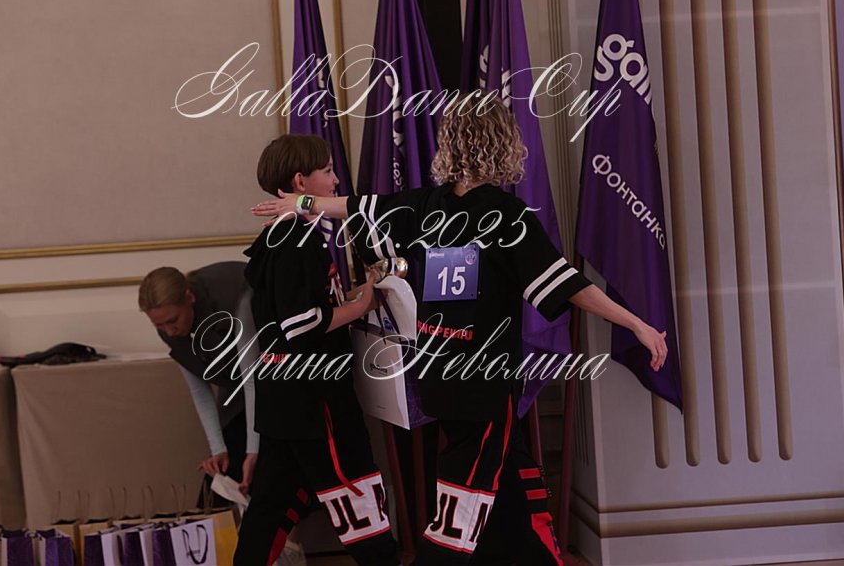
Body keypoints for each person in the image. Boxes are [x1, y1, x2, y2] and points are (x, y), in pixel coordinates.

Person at [250, 99, 668, 565]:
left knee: (511, 475)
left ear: (448, 146)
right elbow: (570, 287)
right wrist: (637, 323)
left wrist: (302, 202)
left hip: (437, 379)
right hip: (483, 385)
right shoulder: (507, 217)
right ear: (506, 145)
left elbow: (353, 207)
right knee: (459, 515)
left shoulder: (425, 207)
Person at [234, 135, 400, 566]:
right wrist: (361, 305)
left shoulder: (278, 236)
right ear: (299, 181)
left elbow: (298, 311)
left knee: (269, 507)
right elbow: (301, 324)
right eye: (327, 170)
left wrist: (355, 298)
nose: (336, 179)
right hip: (315, 398)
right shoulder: (296, 239)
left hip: (283, 396)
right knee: (357, 495)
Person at [139, 262, 258, 501]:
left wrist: (253, 451)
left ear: (189, 298)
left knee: (261, 472)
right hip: (238, 392)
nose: (169, 331)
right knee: (218, 487)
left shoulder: (236, 297)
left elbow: (251, 380)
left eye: (172, 320)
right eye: (159, 325)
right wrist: (218, 450)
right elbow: (200, 391)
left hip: (278, 382)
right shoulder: (170, 328)